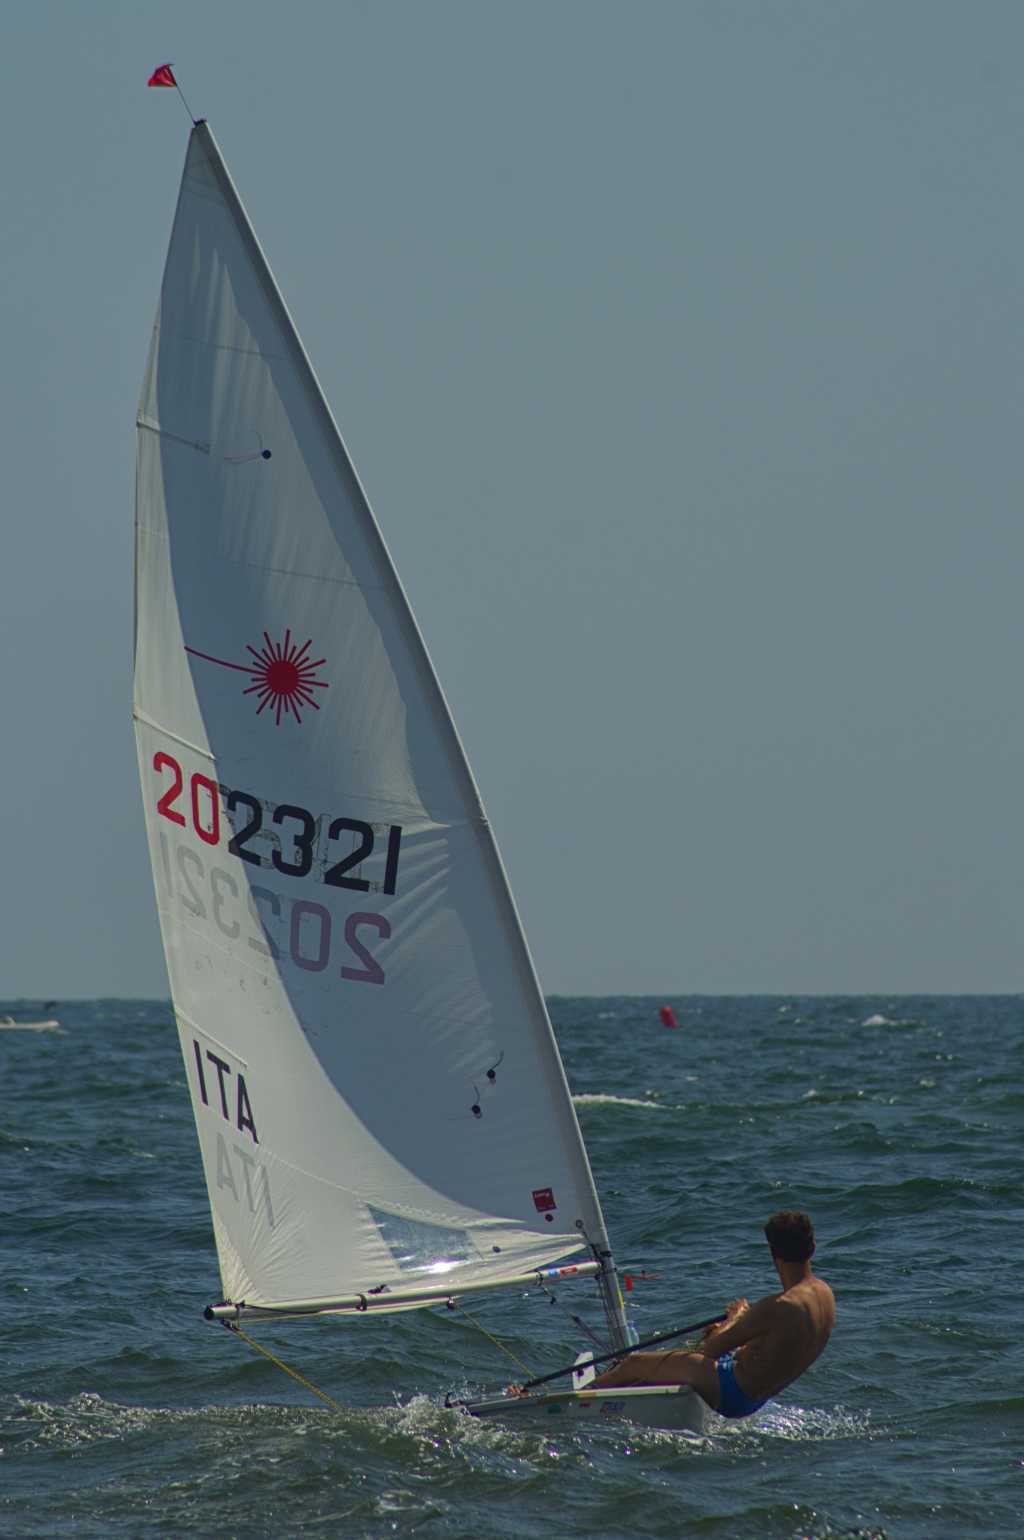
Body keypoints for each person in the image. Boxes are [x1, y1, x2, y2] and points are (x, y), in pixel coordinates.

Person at [591, 1210, 835, 1419]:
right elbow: (781, 1347)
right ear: (812, 1248)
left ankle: (580, 1399)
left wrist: (735, 1318)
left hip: (733, 1393)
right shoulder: (825, 1294)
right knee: (664, 1367)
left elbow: (710, 1350)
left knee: (633, 1363)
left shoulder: (779, 1305)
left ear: (773, 1253)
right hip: (759, 1397)